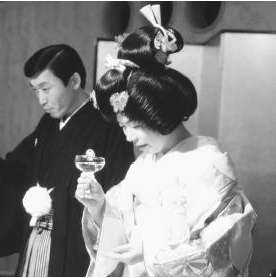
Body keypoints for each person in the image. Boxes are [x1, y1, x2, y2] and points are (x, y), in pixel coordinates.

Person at [76, 22, 257, 276]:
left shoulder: (208, 164)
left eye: (135, 126)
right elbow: (118, 234)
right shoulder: (141, 167)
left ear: (159, 115)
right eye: (122, 127)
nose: (129, 137)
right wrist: (98, 207)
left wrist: (150, 255)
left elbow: (226, 246)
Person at [0, 44, 134, 276]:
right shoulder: (48, 124)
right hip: (37, 239)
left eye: (46, 88)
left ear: (74, 81)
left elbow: (117, 195)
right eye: (35, 91)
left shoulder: (107, 125)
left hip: (77, 247)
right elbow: (19, 170)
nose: (41, 99)